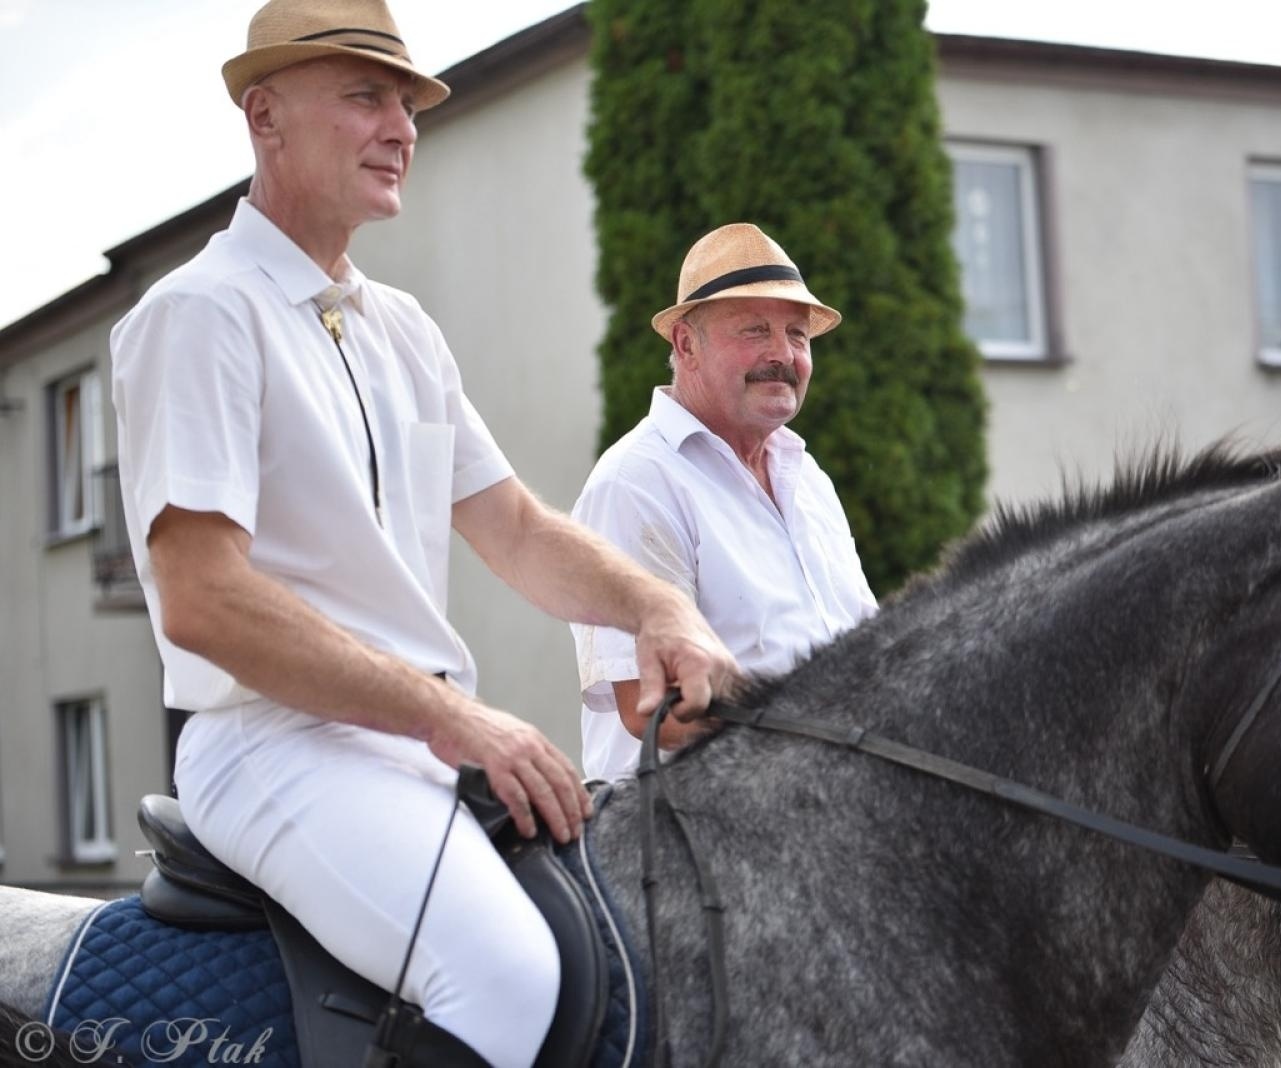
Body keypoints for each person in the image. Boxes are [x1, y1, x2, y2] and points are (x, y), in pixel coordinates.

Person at [108, 3, 737, 1066]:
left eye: (406, 102)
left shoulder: (402, 326)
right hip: (272, 743)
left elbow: (518, 529)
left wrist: (659, 607)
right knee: (508, 976)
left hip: (404, 743)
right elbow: (202, 598)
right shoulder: (201, 312)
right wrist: (456, 719)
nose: (401, 126)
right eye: (365, 95)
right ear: (264, 115)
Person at [571, 223, 877, 781]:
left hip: (820, 811)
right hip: (684, 836)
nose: (783, 355)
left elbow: (867, 657)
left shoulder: (807, 478)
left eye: (798, 336)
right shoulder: (636, 480)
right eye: (756, 330)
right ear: (687, 345)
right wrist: (830, 730)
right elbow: (652, 707)